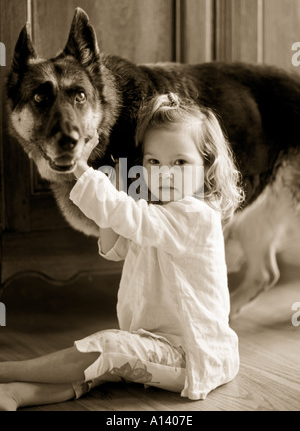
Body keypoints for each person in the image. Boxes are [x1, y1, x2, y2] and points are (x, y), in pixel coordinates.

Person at [0, 93, 244, 411]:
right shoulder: (156, 212)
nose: (164, 173)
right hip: (154, 343)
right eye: (153, 162)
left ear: (206, 165)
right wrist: (110, 191)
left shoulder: (195, 215)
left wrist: (83, 171)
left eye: (180, 162)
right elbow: (116, 247)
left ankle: (6, 371)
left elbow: (129, 217)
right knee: (101, 366)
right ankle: (20, 393)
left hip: (194, 355)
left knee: (109, 348)